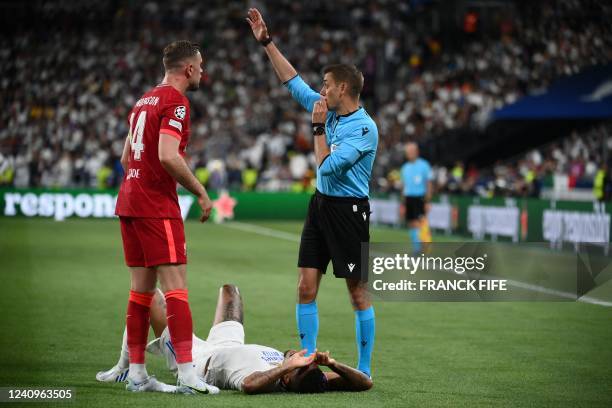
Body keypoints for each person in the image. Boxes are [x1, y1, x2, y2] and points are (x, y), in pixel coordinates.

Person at [246, 8, 378, 378]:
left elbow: (326, 166)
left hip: (349, 211)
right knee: (305, 286)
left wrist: (318, 128)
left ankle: (364, 369)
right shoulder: (329, 111)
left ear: (344, 90)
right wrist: (267, 43)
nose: (321, 90)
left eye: (327, 85)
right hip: (320, 206)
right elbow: (293, 82)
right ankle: (305, 361)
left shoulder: (364, 130)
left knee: (357, 292)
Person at [114, 40, 216, 395]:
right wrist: (201, 192)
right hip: (156, 207)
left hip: (129, 202)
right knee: (176, 291)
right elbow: (169, 156)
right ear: (188, 69)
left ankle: (139, 374)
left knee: (141, 293)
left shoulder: (144, 100)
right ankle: (188, 374)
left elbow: (127, 160)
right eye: (200, 65)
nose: (203, 71)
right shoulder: (176, 102)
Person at [97, 285, 373, 394]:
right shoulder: (313, 378)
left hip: (196, 359)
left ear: (289, 377)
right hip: (229, 345)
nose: (304, 356)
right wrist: (333, 365)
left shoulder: (273, 378)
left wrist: (287, 366)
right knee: (231, 291)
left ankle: (123, 366)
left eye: (303, 362)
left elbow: (249, 386)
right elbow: (365, 383)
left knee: (152, 296)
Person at [400, 142, 433, 254]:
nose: (409, 153)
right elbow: (404, 187)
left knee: (421, 223)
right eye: (407, 152)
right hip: (409, 198)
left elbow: (428, 184)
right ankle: (417, 249)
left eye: (411, 151)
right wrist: (403, 204)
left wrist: (428, 201)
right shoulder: (404, 168)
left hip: (420, 198)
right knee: (411, 223)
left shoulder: (424, 165)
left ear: (416, 152)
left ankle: (425, 248)